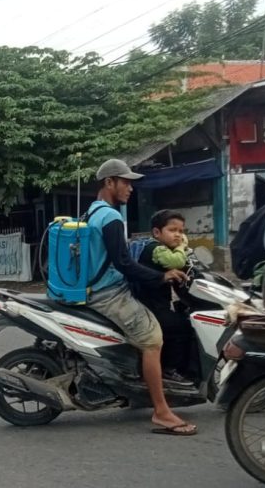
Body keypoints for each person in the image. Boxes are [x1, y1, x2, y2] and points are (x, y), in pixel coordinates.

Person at [83, 159, 195, 436]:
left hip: (102, 287)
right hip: (108, 293)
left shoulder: (93, 212)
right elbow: (123, 263)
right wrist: (160, 276)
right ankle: (161, 411)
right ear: (110, 182)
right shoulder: (109, 217)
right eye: (126, 182)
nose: (130, 188)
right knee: (153, 339)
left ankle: (135, 389)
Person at [132, 210, 198, 387]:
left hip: (155, 302)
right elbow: (175, 262)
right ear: (157, 232)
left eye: (181, 231)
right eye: (172, 230)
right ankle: (169, 369)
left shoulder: (159, 247)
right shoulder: (156, 249)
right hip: (149, 305)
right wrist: (182, 247)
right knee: (181, 327)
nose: (178, 235)